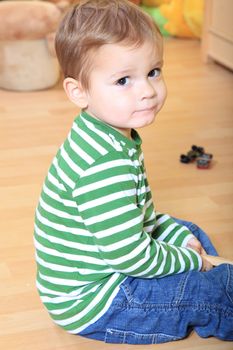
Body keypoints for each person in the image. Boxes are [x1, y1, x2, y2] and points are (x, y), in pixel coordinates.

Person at [34, 0, 233, 344]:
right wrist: (189, 262)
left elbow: (138, 217)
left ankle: (209, 275)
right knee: (214, 292)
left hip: (110, 262)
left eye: (153, 71)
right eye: (124, 79)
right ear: (78, 92)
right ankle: (217, 290)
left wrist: (180, 243)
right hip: (100, 300)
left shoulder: (108, 134)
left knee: (189, 231)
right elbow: (129, 255)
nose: (147, 91)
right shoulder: (102, 165)